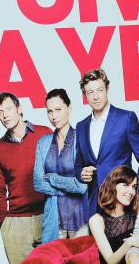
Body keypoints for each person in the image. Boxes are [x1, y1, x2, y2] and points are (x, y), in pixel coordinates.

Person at [75, 68, 139, 217]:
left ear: (107, 89)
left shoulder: (126, 118)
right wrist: (81, 173)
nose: (96, 96)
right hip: (94, 205)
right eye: (90, 92)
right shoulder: (81, 126)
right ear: (85, 95)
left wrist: (135, 191)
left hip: (122, 204)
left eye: (100, 90)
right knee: (95, 241)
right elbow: (78, 165)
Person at [0, 92, 51, 264]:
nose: (5, 115)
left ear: (19, 108)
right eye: (0, 112)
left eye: (8, 109)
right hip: (16, 224)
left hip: (46, 215)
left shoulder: (44, 134)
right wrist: (5, 225)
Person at [34, 89, 88, 244]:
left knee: (83, 260)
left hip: (80, 216)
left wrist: (52, 178)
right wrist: (70, 185)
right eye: (49, 111)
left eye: (58, 109)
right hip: (53, 217)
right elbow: (38, 183)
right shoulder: (43, 142)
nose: (53, 116)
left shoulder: (82, 138)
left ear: (69, 108)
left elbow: (82, 187)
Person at [89, 165, 139, 264]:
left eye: (134, 187)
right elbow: (110, 261)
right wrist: (129, 242)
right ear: (113, 185)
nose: (131, 191)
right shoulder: (96, 220)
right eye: (126, 185)